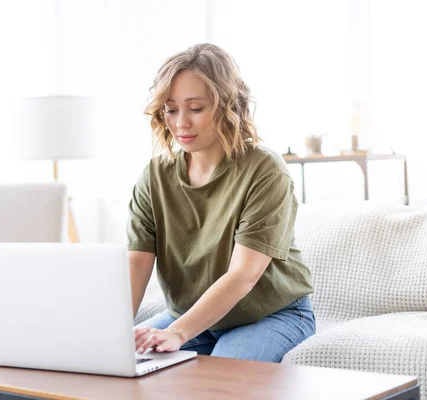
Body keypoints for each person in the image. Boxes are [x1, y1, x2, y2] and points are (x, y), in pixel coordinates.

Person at [127, 43, 315, 362]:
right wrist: (110, 336)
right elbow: (137, 264)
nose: (181, 123)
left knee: (217, 383)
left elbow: (244, 274)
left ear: (227, 105)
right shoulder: (154, 175)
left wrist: (179, 333)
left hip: (270, 316)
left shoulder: (264, 169)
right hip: (191, 318)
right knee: (124, 366)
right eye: (171, 109)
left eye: (196, 108)